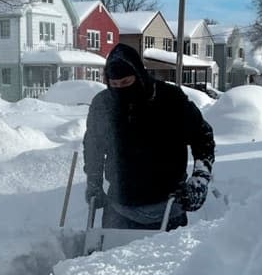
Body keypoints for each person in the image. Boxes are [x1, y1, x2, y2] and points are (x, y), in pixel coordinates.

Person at [83, 43, 216, 231]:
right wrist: (93, 182)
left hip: (168, 207)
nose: (120, 89)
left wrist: (199, 180)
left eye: (126, 83)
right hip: (119, 208)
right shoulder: (103, 104)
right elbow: (93, 146)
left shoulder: (170, 100)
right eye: (114, 84)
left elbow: (203, 137)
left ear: (139, 75)